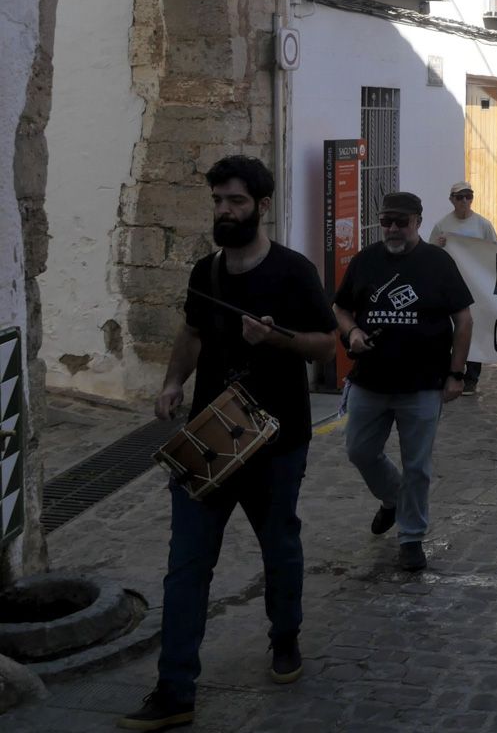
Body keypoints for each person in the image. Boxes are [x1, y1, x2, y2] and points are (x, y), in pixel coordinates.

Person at [119, 156, 339, 732]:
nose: (225, 211)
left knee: (279, 548)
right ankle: (174, 690)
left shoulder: (293, 272)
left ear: (261, 206)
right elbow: (192, 331)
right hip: (210, 437)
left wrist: (275, 339)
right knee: (185, 565)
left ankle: (285, 637)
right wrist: (172, 383)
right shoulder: (204, 273)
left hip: (277, 438)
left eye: (236, 202)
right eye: (218, 200)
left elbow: (323, 346)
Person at [333, 192, 473, 573]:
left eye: (401, 221)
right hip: (369, 381)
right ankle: (393, 499)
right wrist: (352, 333)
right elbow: (341, 308)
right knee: (359, 451)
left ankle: (411, 538)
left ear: (417, 220)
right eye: (387, 221)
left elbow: (463, 318)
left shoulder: (437, 263)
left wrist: (456, 373)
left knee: (418, 466)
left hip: (423, 384)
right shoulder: (365, 261)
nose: (393, 229)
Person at [430, 181, 497, 394]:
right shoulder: (442, 225)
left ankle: (471, 377)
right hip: (448, 285)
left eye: (468, 196)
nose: (465, 201)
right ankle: (448, 371)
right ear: (452, 199)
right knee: (448, 328)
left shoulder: (483, 225)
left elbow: (496, 251)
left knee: (472, 329)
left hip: (475, 286)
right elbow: (429, 253)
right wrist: (438, 246)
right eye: (460, 197)